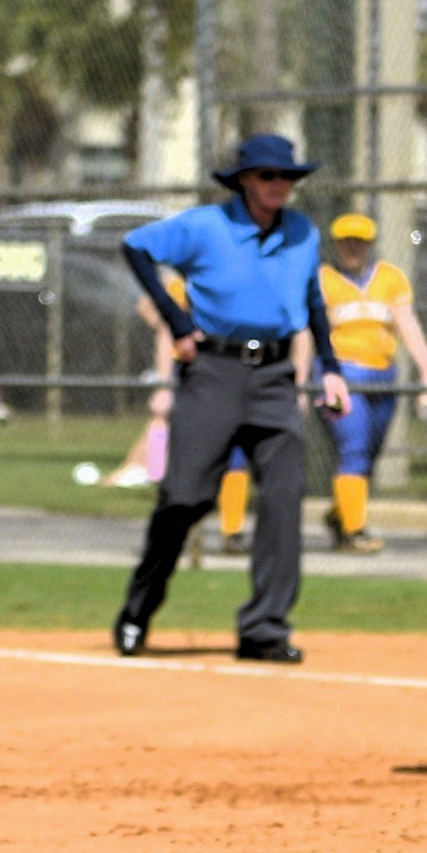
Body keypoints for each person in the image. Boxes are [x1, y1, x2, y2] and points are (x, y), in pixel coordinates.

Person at [113, 133, 350, 663]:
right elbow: (136, 247)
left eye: (287, 177)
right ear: (244, 180)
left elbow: (312, 298)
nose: (279, 185)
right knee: (184, 498)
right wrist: (176, 322)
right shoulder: (205, 226)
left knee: (284, 500)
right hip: (213, 370)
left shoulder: (301, 232)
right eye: (268, 176)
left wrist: (331, 368)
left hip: (275, 375)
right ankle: (138, 609)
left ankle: (264, 628)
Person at [316, 212, 427, 553]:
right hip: (341, 377)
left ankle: (339, 514)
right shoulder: (324, 280)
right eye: (347, 242)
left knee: (369, 454)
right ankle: (354, 532)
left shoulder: (390, 279)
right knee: (353, 448)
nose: (353, 248)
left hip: (383, 377)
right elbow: (307, 334)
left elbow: (408, 327)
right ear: (337, 244)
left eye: (360, 242)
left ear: (370, 244)